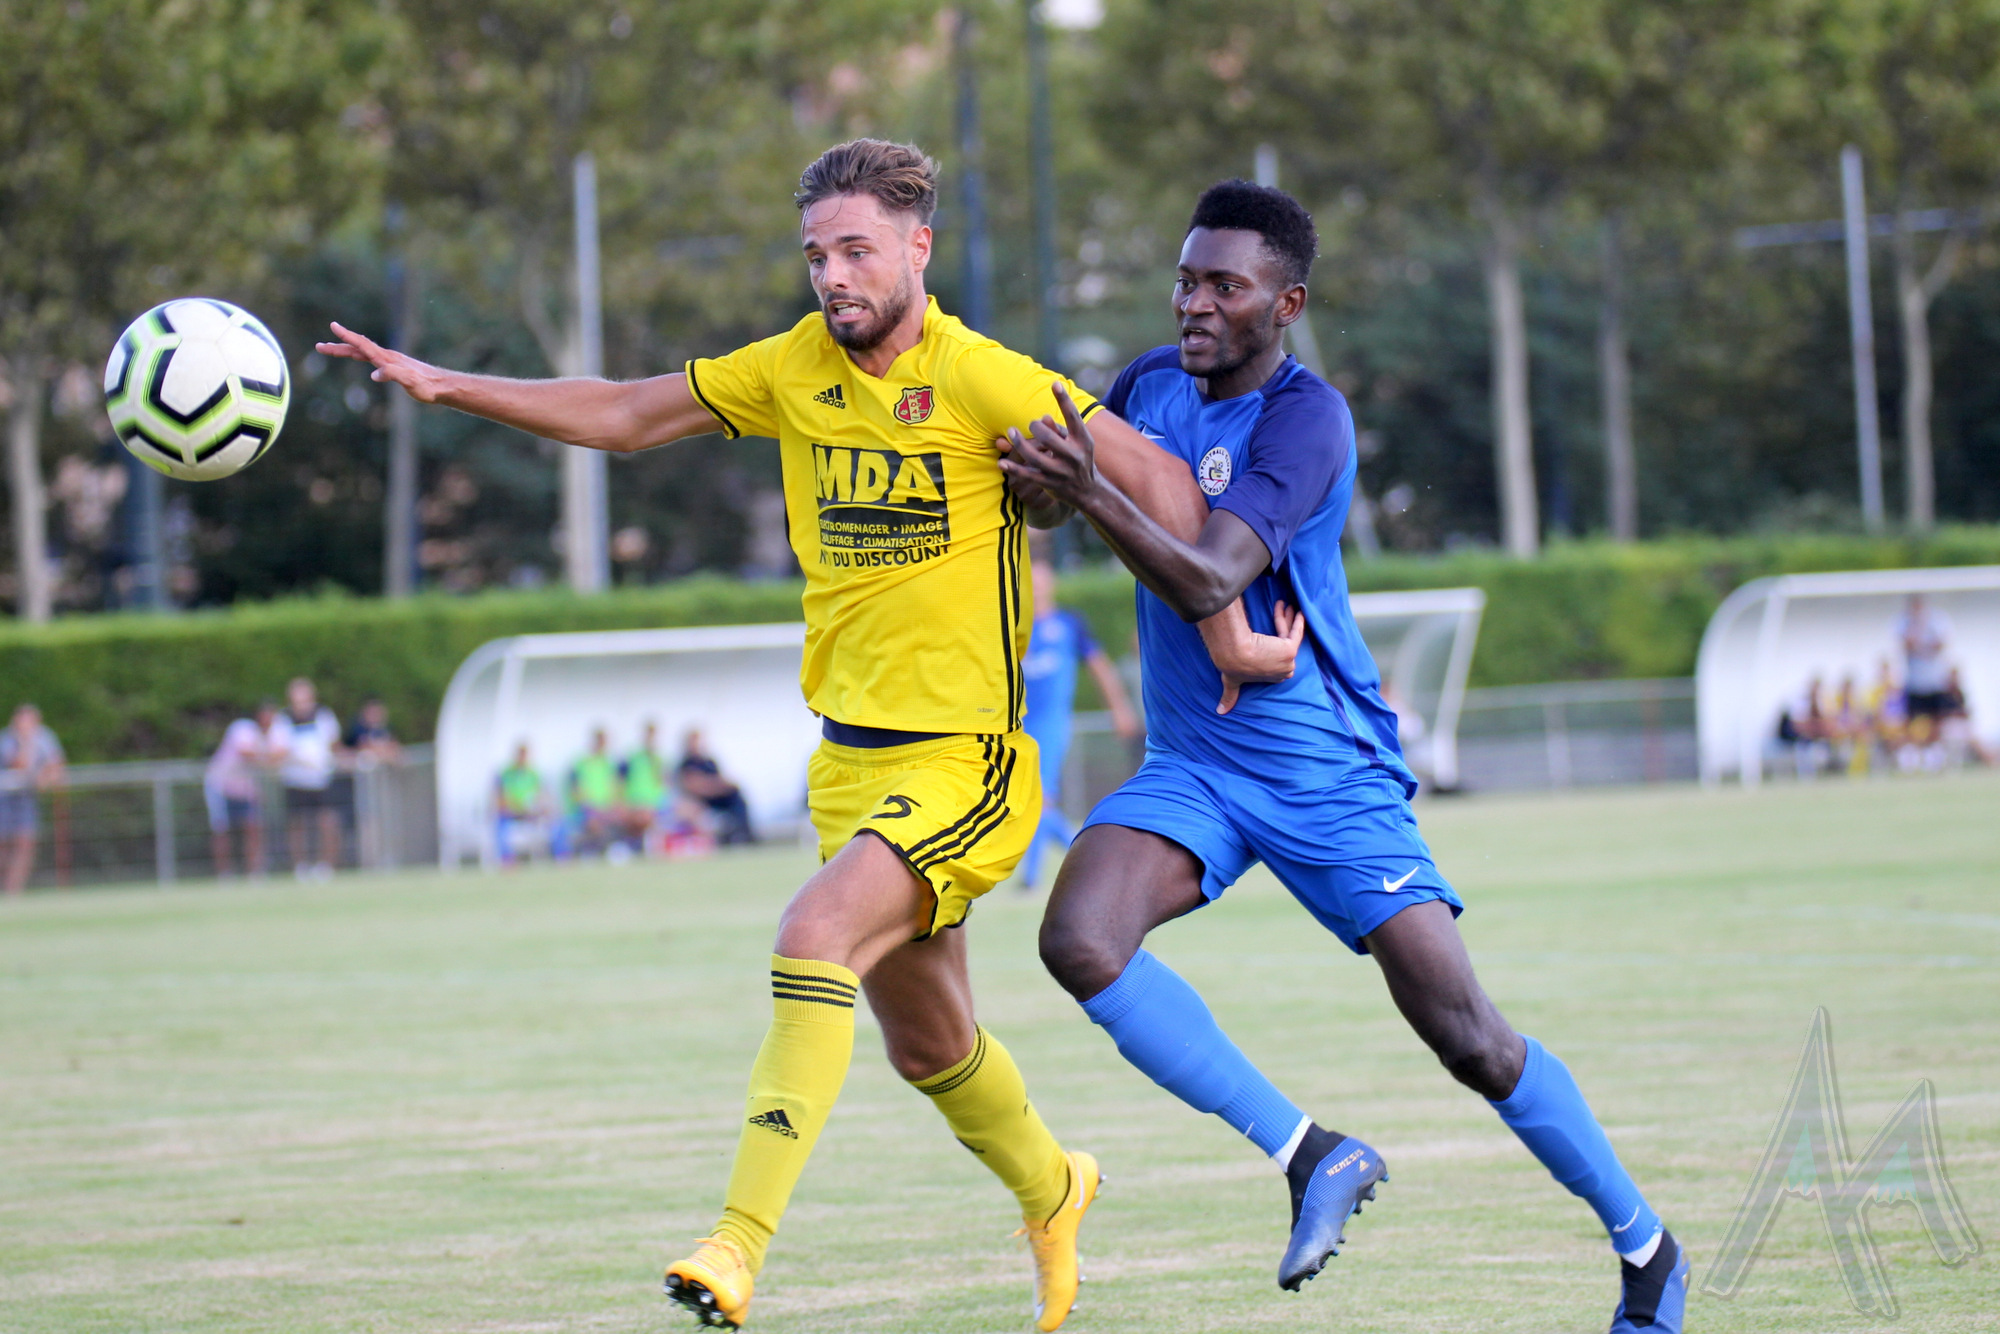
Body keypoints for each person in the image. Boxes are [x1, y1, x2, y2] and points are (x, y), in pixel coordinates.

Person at [317, 138, 1294, 1332]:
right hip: (848, 764)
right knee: (930, 1046)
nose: (832, 275)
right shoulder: (788, 366)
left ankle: (734, 1248)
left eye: (855, 251)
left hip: (967, 764)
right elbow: (629, 413)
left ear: (916, 249)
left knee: (811, 934)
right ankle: (1055, 1184)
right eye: (816, 254)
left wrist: (1227, 621)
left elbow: (1160, 483)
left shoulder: (984, 376)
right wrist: (444, 382)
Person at [1000, 181, 1686, 1333]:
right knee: (1077, 937)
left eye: (1226, 286)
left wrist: (1090, 496)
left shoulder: (1306, 421)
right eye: (1184, 279)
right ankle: (1309, 1151)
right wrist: (1046, 496)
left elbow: (1211, 572)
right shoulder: (1143, 387)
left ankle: (1645, 1248)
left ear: (1287, 304)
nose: (1195, 303)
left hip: (1321, 767)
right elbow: (1078, 507)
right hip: (1195, 763)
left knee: (1466, 1034)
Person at [1017, 555, 1140, 890]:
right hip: (1016, 728)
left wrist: (1120, 709)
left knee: (1038, 799)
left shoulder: (1069, 624)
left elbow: (1100, 668)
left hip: (1052, 725)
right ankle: (1092, 857)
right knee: (1027, 802)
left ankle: (1032, 878)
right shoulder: (1013, 625)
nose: (1037, 586)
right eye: (1031, 580)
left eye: (1042, 580)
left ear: (1051, 584)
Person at [271, 677, 342, 880]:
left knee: (327, 822)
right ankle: (300, 867)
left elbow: (333, 744)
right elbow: (278, 750)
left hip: (321, 779)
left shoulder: (323, 715)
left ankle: (326, 867)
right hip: (295, 780)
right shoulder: (283, 719)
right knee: (296, 824)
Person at [205, 700, 277, 877]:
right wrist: (271, 761)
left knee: (254, 827)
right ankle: (224, 873)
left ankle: (254, 870)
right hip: (220, 785)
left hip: (244, 787)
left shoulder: (268, 736)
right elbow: (247, 753)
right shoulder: (243, 728)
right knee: (221, 829)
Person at [1, 704, 66, 896]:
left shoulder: (45, 737)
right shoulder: (6, 739)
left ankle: (12, 892)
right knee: (3, 846)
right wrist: (25, 742)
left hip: (26, 798)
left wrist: (45, 778)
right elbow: (19, 765)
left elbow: (56, 765)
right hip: (3, 798)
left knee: (26, 843)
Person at [676, 728, 754, 846]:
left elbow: (719, 780)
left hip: (717, 798)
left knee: (737, 797)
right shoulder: (686, 763)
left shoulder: (709, 761)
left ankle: (744, 835)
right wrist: (710, 785)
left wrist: (711, 784)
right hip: (700, 801)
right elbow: (693, 786)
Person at [1897, 595, 1954, 742]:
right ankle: (1913, 749)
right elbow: (1907, 645)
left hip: (1934, 681)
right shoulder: (1904, 622)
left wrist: (1922, 643)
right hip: (1915, 682)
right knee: (1912, 719)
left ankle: (1934, 748)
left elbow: (1940, 644)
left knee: (1937, 718)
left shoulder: (1936, 621)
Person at [566, 727, 623, 857]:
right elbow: (576, 791)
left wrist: (615, 805)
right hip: (588, 809)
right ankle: (592, 851)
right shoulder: (582, 763)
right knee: (594, 822)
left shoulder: (609, 764)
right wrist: (592, 808)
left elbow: (615, 789)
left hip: (606, 808)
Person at [494, 742, 551, 867]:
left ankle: (560, 858)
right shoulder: (505, 774)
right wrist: (514, 808)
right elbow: (499, 798)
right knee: (500, 825)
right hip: (512, 813)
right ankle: (508, 860)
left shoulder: (534, 774)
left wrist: (538, 808)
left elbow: (542, 796)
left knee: (555, 823)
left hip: (530, 813)